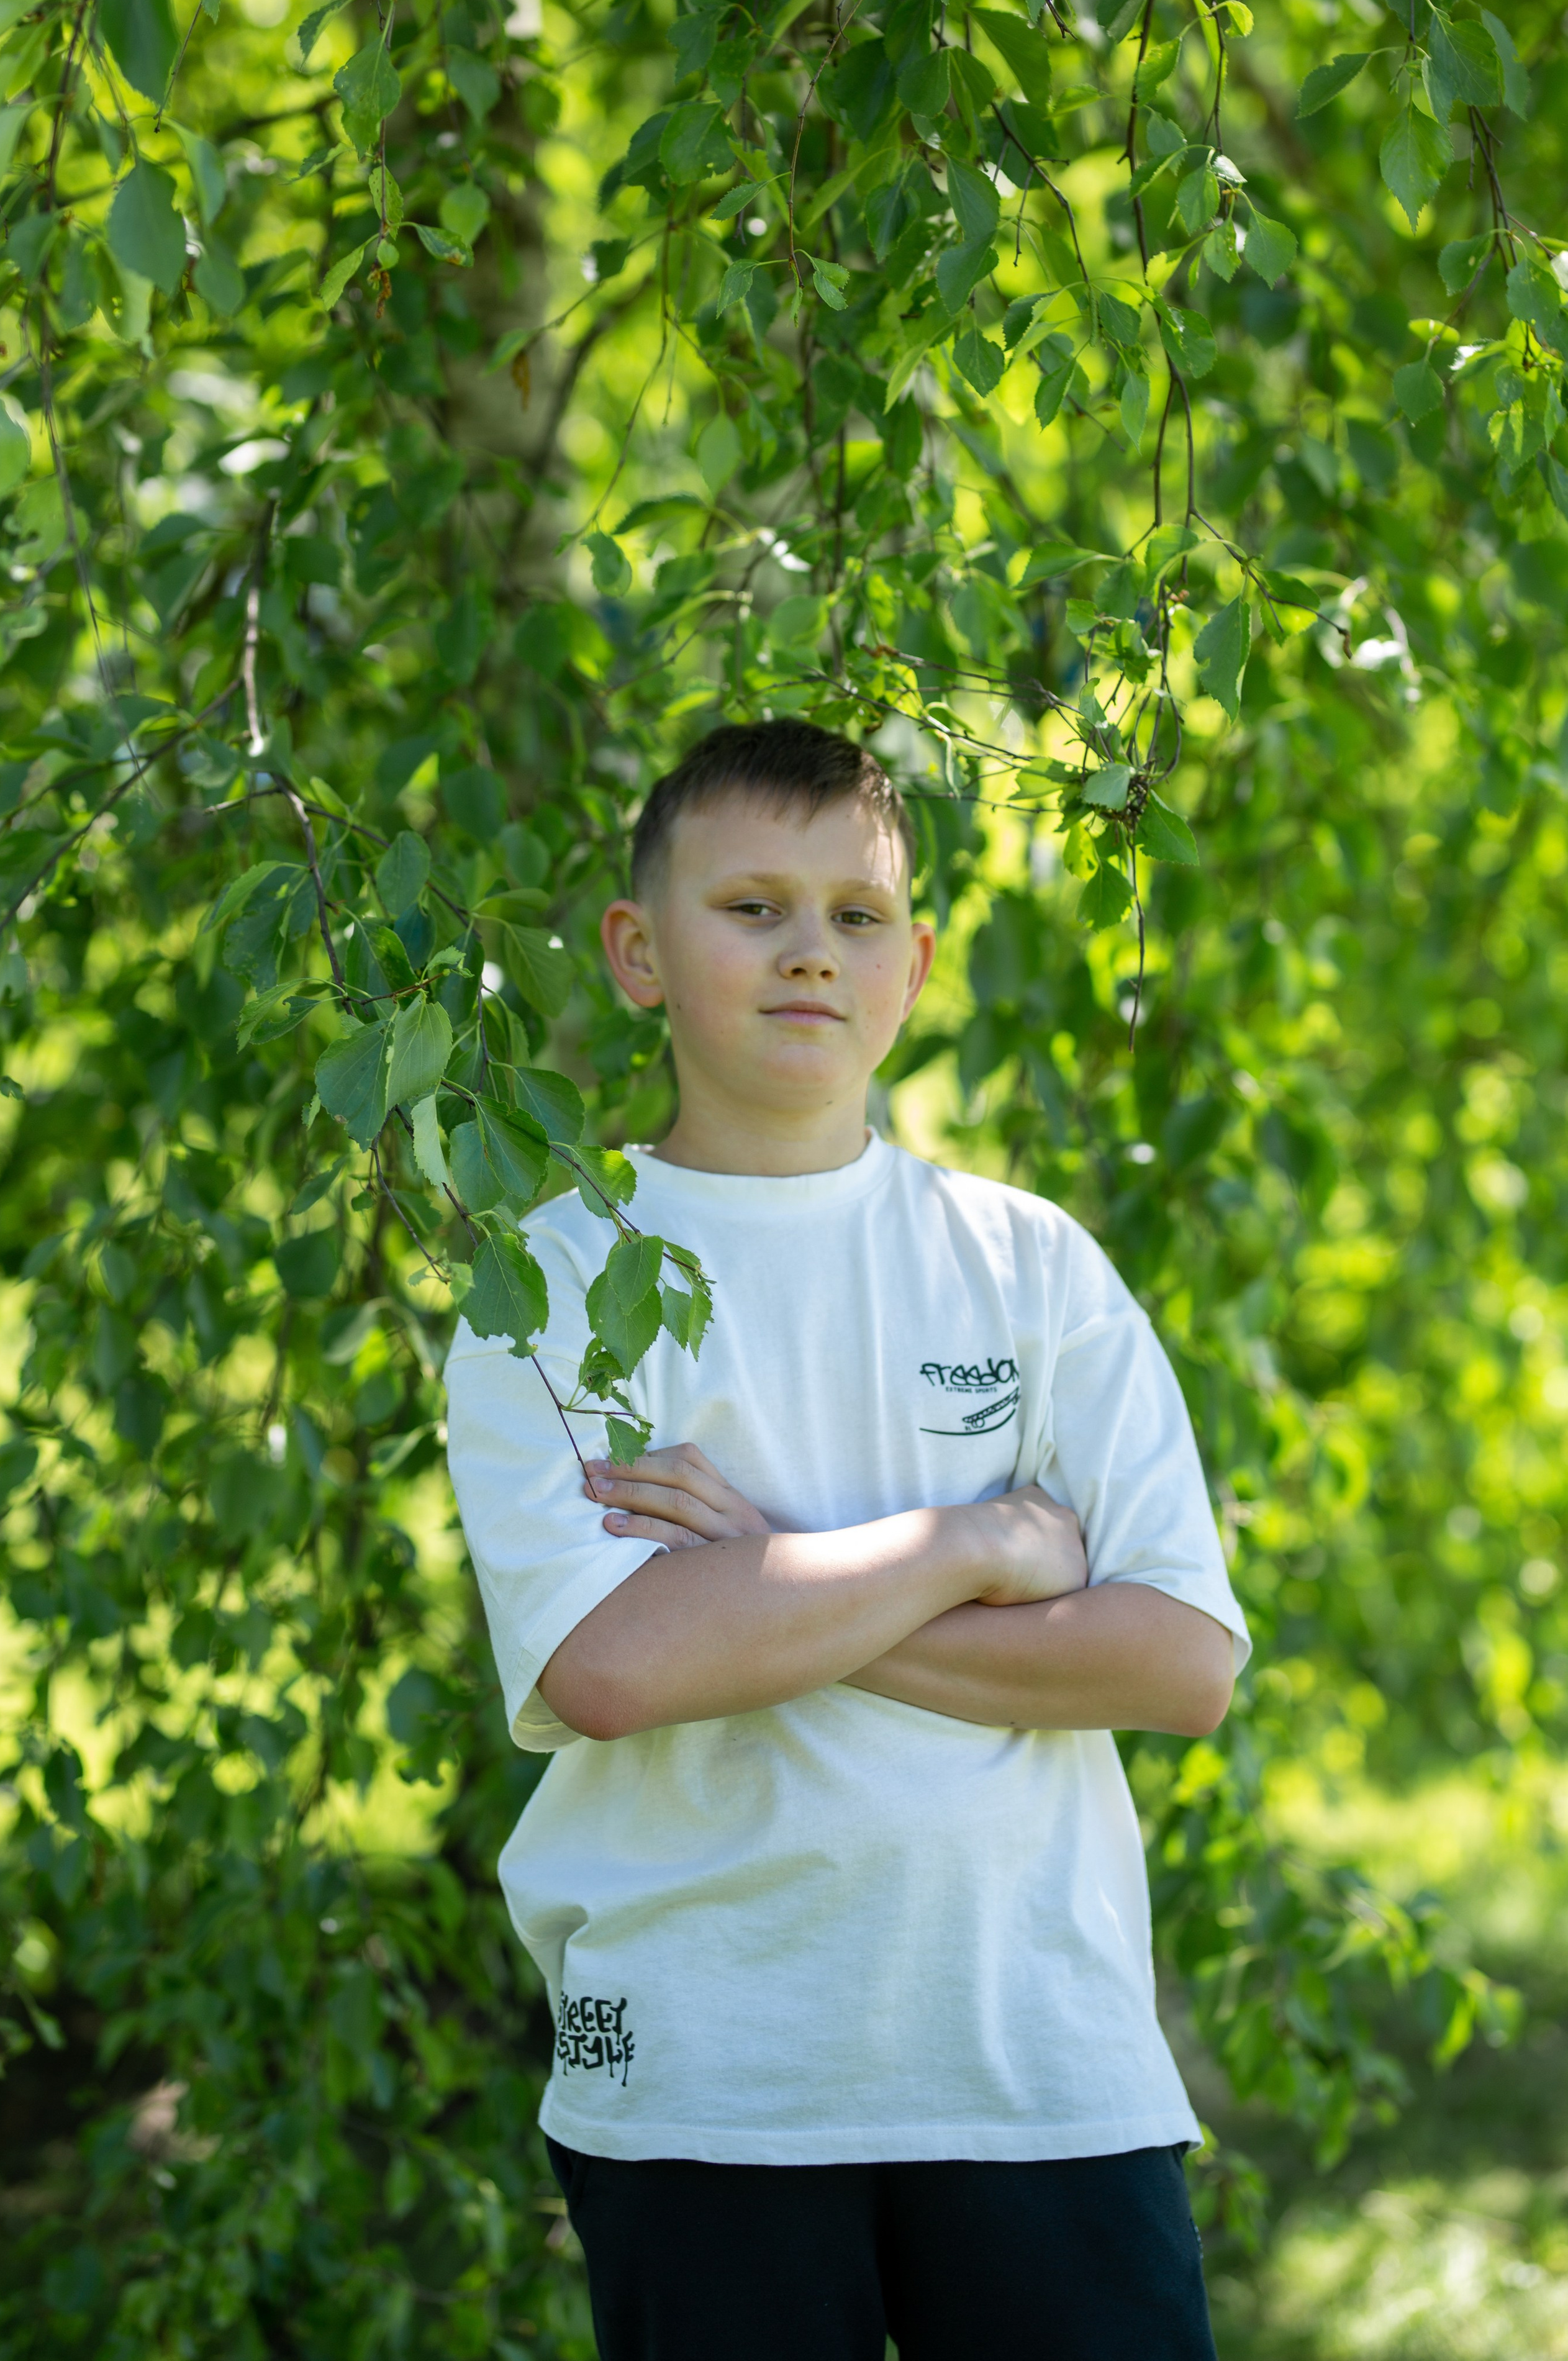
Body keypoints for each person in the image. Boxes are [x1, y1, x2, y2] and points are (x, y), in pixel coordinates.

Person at [444, 718, 1250, 2360]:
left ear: (916, 962)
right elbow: (610, 1670)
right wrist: (970, 1541)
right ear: (636, 952)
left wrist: (764, 1573)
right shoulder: (552, 1282)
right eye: (751, 906)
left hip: (1040, 2058)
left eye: (857, 915)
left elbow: (1177, 1662)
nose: (811, 950)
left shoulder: (1028, 1268)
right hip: (702, 2071)